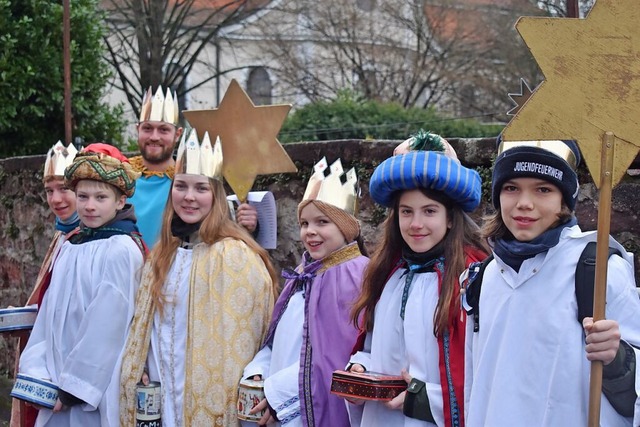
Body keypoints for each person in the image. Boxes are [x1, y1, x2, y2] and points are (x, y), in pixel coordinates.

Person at [463, 140, 640, 426]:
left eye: (543, 189)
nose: (524, 203)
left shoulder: (598, 271)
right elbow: (477, 381)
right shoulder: (487, 275)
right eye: (511, 188)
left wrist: (618, 358)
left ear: (563, 201)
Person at [119, 130, 277, 427]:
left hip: (212, 401)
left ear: (216, 196)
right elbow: (144, 328)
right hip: (160, 394)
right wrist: (138, 364)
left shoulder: (237, 257)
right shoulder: (162, 255)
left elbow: (249, 340)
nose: (189, 197)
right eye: (181, 186)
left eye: (201, 188)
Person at [347, 132, 488, 427]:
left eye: (429, 211)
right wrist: (360, 368)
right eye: (406, 212)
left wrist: (427, 400)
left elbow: (486, 368)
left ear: (450, 218)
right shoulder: (388, 274)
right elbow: (375, 347)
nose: (416, 224)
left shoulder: (475, 279)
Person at [18, 144, 144, 426]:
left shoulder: (121, 249)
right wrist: (36, 372)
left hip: (93, 392)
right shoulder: (72, 244)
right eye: (83, 196)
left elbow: (107, 324)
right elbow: (49, 315)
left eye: (101, 197)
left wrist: (74, 388)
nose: (89, 205)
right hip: (53, 383)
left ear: (120, 201)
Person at [241, 158, 369, 427]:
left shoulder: (356, 275)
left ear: (346, 227)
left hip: (309, 408)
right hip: (280, 403)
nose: (310, 231)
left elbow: (338, 355)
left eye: (322, 222)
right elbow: (278, 342)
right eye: (304, 223)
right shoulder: (303, 273)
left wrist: (280, 394)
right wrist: (259, 371)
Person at [129, 86, 259, 247]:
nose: (154, 137)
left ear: (177, 134)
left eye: (163, 130)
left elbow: (219, 225)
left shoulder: (197, 176)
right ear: (137, 130)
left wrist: (249, 225)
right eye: (147, 128)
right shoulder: (120, 177)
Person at [9, 141, 79, 427]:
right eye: (49, 190)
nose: (56, 199)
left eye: (64, 188)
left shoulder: (85, 240)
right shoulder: (62, 235)